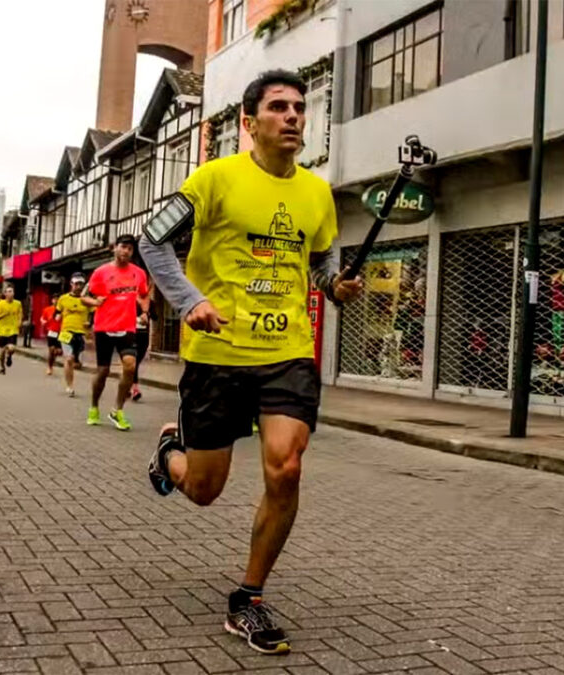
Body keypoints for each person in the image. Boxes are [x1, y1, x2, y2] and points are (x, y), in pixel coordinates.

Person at [139, 70, 364, 655]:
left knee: (286, 467)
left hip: (288, 349)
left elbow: (318, 263)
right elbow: (151, 241)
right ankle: (172, 453)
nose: (292, 116)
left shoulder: (317, 194)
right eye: (278, 107)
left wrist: (334, 286)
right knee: (207, 490)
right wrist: (190, 301)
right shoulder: (214, 179)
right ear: (249, 122)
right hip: (217, 354)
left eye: (299, 107)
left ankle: (250, 597)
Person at [81, 234, 149, 431]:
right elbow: (85, 297)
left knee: (129, 366)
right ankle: (94, 406)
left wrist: (144, 312)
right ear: (114, 248)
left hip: (127, 327)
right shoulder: (101, 272)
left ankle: (117, 410)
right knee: (103, 371)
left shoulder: (139, 274)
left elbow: (144, 295)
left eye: (129, 249)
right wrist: (95, 302)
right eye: (123, 247)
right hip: (104, 327)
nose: (126, 251)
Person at [55, 275, 90, 396]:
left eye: (81, 284)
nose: (78, 286)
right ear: (71, 284)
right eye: (76, 284)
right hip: (66, 331)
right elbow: (57, 313)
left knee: (76, 363)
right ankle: (70, 386)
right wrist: (56, 319)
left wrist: (90, 323)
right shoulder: (63, 298)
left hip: (80, 333)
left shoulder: (86, 300)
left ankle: (71, 375)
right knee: (68, 359)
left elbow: (94, 314)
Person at [0, 285, 23, 375]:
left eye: (11, 291)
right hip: (2, 330)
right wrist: (4, 314)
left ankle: (9, 356)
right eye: (8, 291)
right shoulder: (0, 304)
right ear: (5, 294)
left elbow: (20, 314)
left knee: (11, 348)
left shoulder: (18, 303)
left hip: (13, 330)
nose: (10, 293)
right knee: (1, 353)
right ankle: (2, 367)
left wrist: (20, 322)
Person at [131, 305, 151, 402]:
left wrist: (147, 315)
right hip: (132, 336)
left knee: (135, 363)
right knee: (134, 364)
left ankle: (126, 383)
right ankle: (135, 389)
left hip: (144, 338)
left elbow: (156, 317)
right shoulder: (132, 301)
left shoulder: (150, 303)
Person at [40, 295, 62, 376]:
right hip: (52, 331)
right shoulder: (47, 309)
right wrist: (43, 322)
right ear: (52, 300)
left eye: (58, 300)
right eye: (55, 299)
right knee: (51, 349)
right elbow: (42, 318)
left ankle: (52, 361)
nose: (56, 301)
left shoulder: (63, 310)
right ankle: (49, 366)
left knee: (58, 351)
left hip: (61, 332)